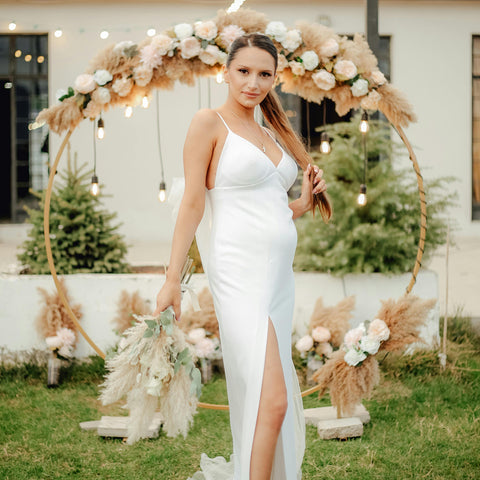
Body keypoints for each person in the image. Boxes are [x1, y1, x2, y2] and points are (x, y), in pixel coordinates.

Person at [153, 33, 331, 480]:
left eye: (264, 74)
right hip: (240, 275)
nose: (253, 83)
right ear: (226, 72)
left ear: (275, 78)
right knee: (273, 400)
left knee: (268, 399)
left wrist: (301, 206)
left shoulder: (271, 132)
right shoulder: (209, 123)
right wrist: (172, 278)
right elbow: (195, 202)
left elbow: (266, 208)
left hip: (277, 282)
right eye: (244, 71)